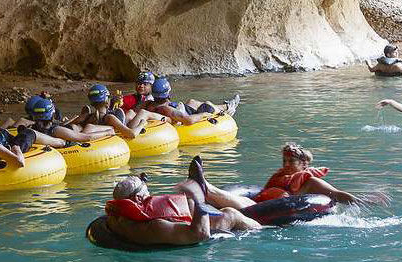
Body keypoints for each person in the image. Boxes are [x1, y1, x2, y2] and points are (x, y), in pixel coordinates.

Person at [103, 160, 262, 247]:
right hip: (192, 246)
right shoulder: (154, 226)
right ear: (138, 199)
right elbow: (200, 234)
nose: (150, 196)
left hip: (171, 231)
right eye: (147, 193)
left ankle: (204, 189)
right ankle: (264, 231)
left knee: (190, 205)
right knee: (230, 213)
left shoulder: (116, 217)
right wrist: (198, 199)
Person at [18, 94, 117, 147]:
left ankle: (85, 117)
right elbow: (87, 137)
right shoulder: (56, 130)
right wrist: (108, 132)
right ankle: (87, 118)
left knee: (76, 126)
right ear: (52, 115)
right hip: (68, 132)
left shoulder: (32, 128)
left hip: (63, 130)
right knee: (84, 127)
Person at [140, 77, 238, 125]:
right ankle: (227, 110)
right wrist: (204, 114)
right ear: (168, 93)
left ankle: (227, 105)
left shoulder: (147, 104)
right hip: (182, 116)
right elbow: (189, 120)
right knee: (207, 105)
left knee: (192, 101)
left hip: (180, 110)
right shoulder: (166, 108)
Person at [65, 84, 149, 139]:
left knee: (76, 126)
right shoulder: (109, 118)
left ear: (91, 102)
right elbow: (132, 134)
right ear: (107, 100)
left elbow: (65, 126)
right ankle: (110, 129)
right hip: (95, 131)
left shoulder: (87, 116)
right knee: (88, 127)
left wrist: (71, 120)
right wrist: (142, 123)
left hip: (86, 128)